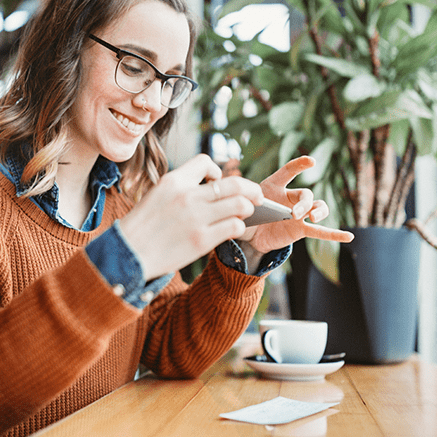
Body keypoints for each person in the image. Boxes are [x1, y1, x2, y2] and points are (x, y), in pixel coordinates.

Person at [0, 0, 354, 435]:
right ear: (65, 48)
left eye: (169, 81)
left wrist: (246, 251)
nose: (152, 104)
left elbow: (170, 346)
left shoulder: (124, 201)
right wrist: (128, 255)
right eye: (133, 66)